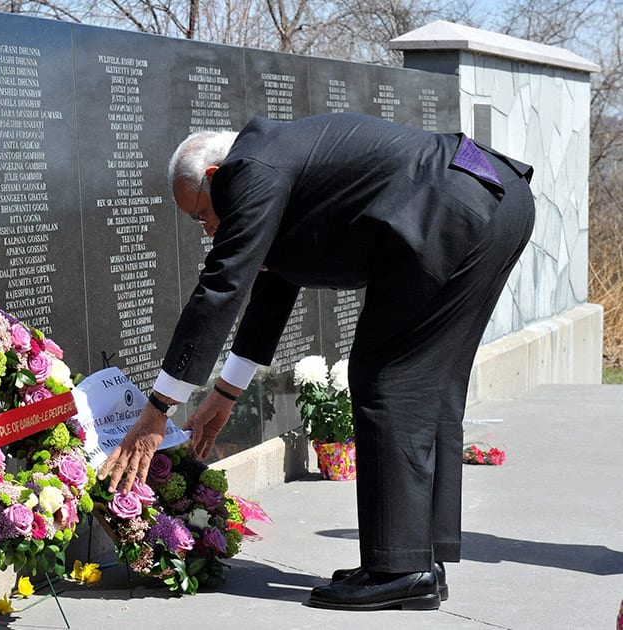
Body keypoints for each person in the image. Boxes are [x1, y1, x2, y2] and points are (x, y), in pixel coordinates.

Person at [98, 112, 535, 611]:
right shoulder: (275, 163)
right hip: (495, 195)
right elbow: (274, 283)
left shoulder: (250, 166)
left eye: (202, 215)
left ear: (217, 177)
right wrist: (225, 393)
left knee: (387, 378)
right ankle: (416, 557)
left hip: (454, 205)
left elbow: (222, 286)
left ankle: (399, 568)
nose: (208, 229)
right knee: (426, 381)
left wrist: (157, 410)